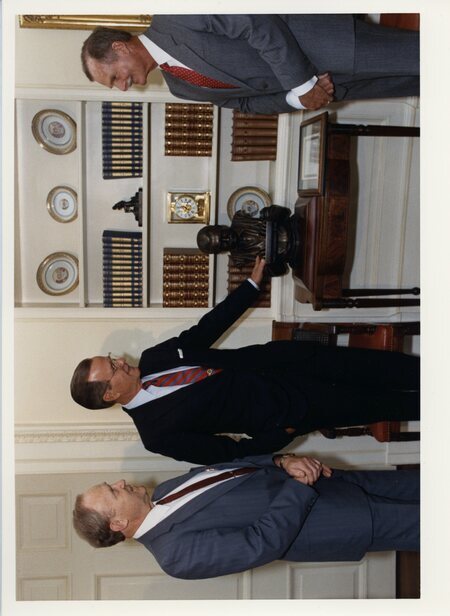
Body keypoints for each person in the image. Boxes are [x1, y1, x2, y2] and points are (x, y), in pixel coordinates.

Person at [70, 257, 420, 465]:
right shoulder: (155, 433)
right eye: (112, 367)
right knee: (382, 403)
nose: (119, 361)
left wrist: (251, 286)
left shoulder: (154, 357)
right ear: (109, 395)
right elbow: (224, 453)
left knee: (382, 367)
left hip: (293, 361)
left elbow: (207, 328)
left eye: (112, 358)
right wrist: (280, 435)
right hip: (292, 407)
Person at [73, 452, 419, 580]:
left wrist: (281, 461)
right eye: (114, 491)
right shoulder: (174, 556)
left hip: (331, 481)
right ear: (117, 524)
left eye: (112, 483)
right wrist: (298, 487)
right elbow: (260, 543)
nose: (121, 482)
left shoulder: (163, 491)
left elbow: (227, 468)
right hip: (337, 520)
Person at [80, 15, 419, 115]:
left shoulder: (173, 18)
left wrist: (301, 85)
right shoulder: (178, 87)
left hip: (329, 46)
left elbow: (254, 22)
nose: (123, 86)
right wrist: (297, 100)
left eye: (114, 78)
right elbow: (242, 102)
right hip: (332, 88)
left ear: (120, 47)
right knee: (420, 81)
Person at [197, 204, 295, 276]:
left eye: (223, 235)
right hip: (294, 256)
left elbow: (285, 212)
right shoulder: (239, 259)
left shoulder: (240, 218)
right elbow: (281, 270)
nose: (227, 239)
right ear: (221, 251)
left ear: (221, 227)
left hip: (295, 227)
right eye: (223, 244)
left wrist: (269, 218)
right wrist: (267, 262)